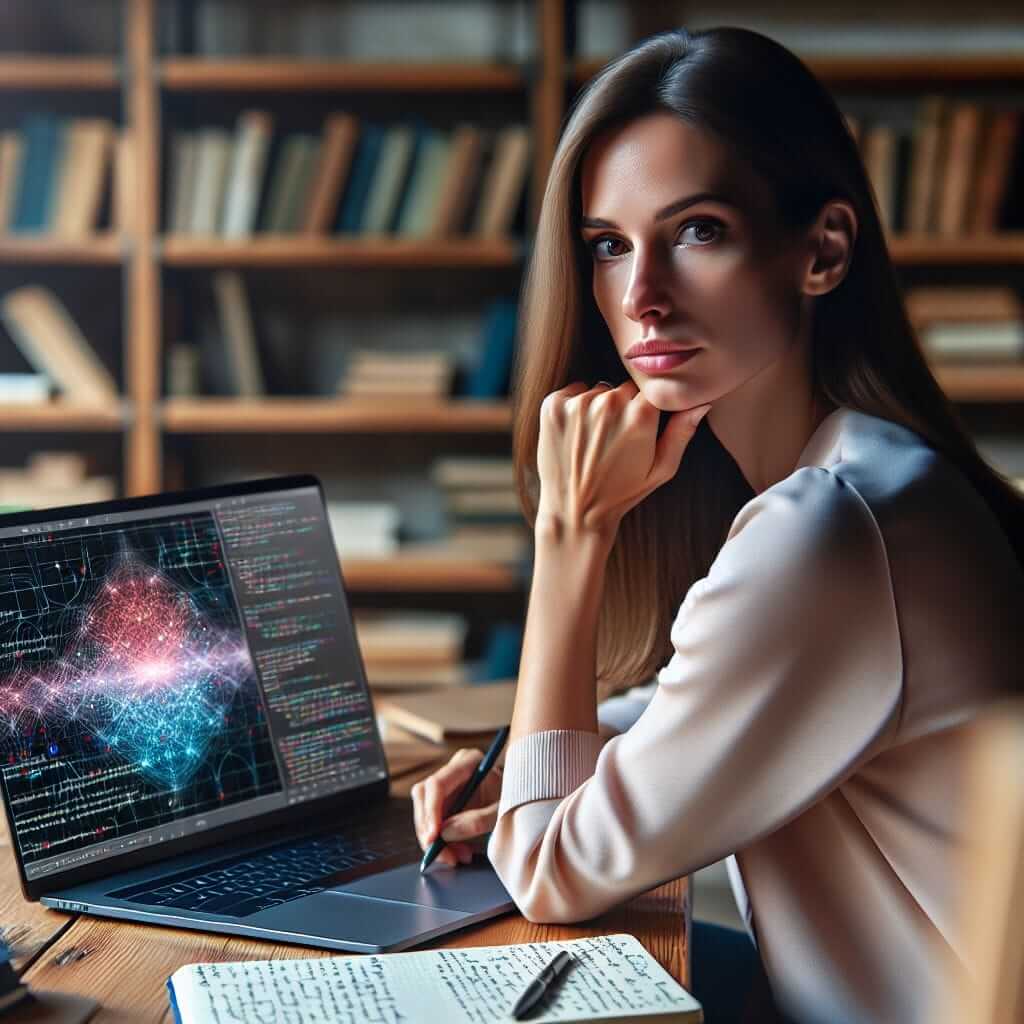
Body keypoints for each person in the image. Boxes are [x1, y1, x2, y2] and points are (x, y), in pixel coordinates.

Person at [410, 25, 1024, 1024]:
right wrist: (520, 753)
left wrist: (569, 538)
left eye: (697, 230)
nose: (642, 297)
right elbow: (701, 699)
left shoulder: (824, 531)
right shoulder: (870, 474)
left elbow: (551, 872)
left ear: (821, 250)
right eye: (608, 246)